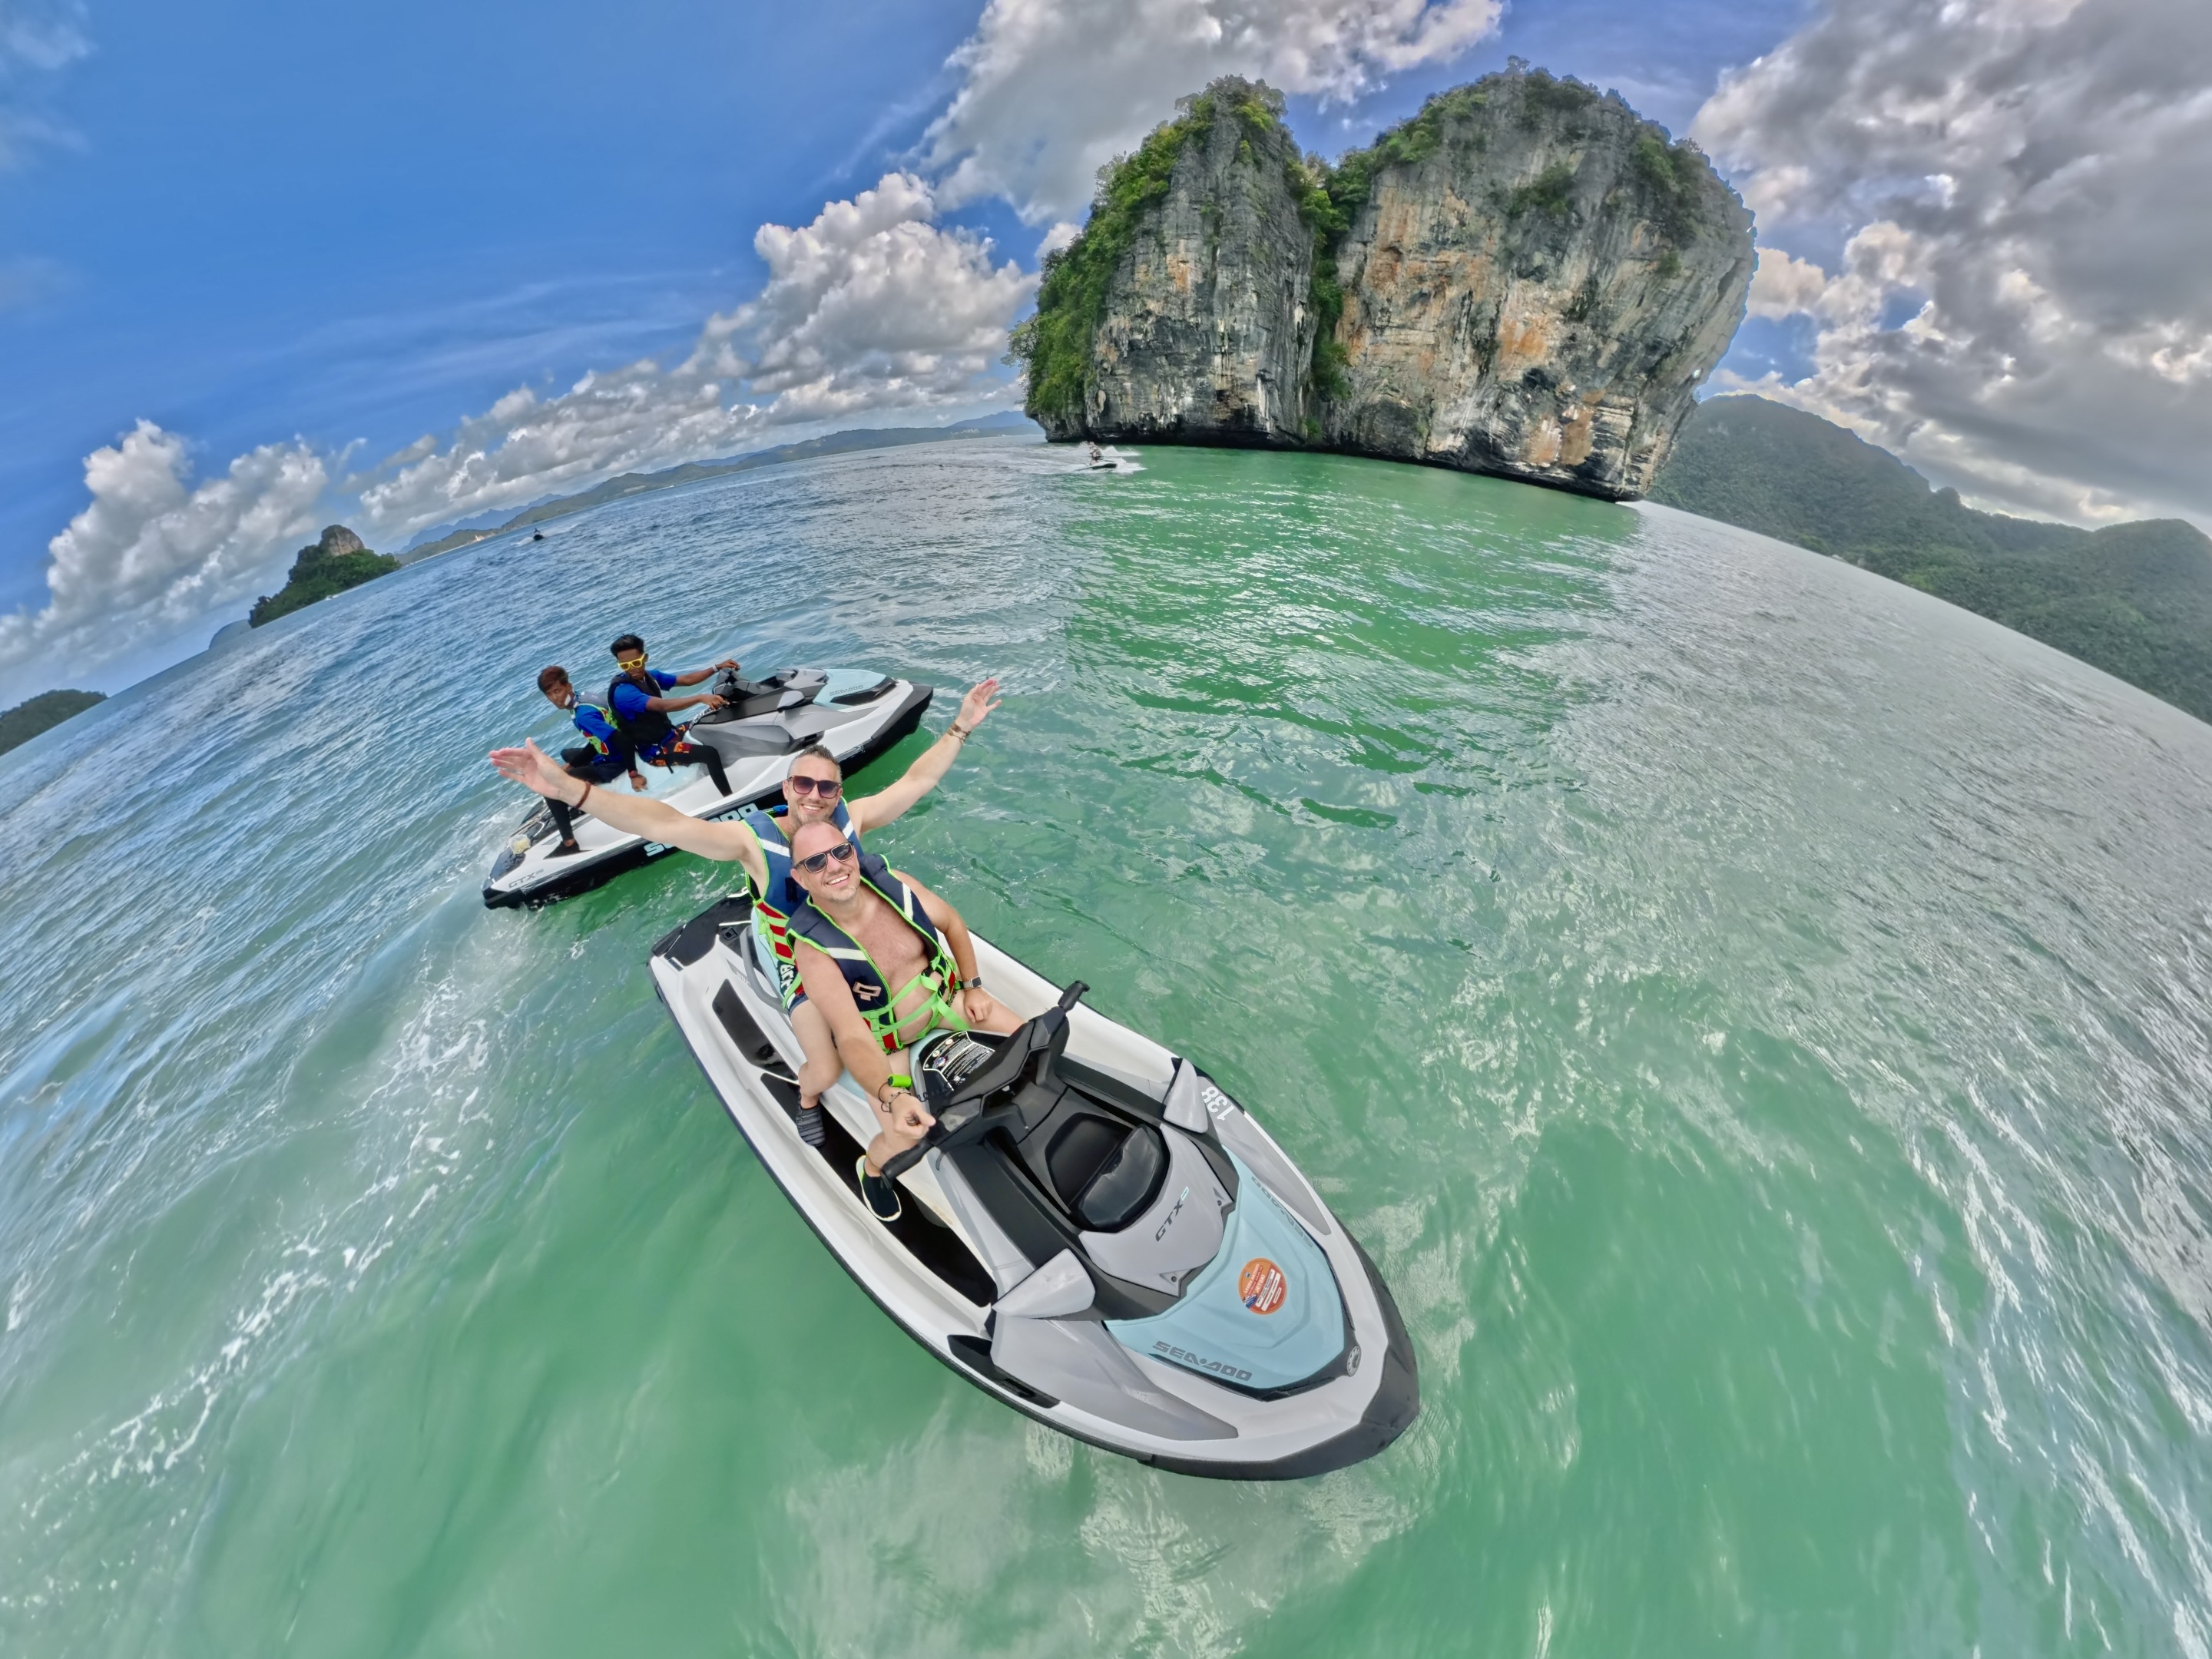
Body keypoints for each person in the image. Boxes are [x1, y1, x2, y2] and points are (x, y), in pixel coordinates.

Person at [489, 677, 1003, 1110]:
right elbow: (666, 824)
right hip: (793, 948)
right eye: (803, 785)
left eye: (828, 788)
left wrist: (960, 727)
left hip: (847, 930)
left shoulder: (850, 820)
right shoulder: (753, 843)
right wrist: (570, 790)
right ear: (786, 789)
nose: (816, 798)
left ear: (838, 793)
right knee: (826, 1065)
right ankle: (806, 1100)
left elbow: (914, 783)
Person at [782, 816, 1020, 1222]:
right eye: (816, 863)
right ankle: (872, 1171)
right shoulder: (814, 950)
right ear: (800, 878)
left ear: (853, 853)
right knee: (901, 1138)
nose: (834, 866)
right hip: (886, 1046)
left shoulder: (895, 885)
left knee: (1029, 1039)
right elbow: (853, 1035)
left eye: (840, 852)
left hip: (946, 1006)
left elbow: (952, 923)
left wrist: (974, 985)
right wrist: (892, 1096)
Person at [534, 664, 648, 856]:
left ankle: (569, 843)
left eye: (557, 691)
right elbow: (599, 739)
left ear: (568, 686)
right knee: (567, 754)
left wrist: (633, 774)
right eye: (549, 694)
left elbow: (621, 740)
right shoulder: (585, 698)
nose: (555, 698)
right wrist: (570, 766)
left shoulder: (583, 715)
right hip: (608, 751)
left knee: (551, 790)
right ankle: (575, 777)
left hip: (613, 763)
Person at [604, 633, 737, 797]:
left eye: (636, 663)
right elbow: (661, 705)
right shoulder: (623, 692)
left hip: (670, 733)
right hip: (655, 750)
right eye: (625, 666)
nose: (632, 669)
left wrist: (716, 667)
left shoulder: (650, 677)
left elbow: (686, 679)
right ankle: (729, 797)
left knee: (713, 717)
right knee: (708, 753)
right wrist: (700, 698)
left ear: (645, 658)